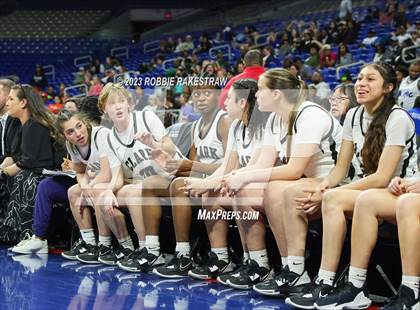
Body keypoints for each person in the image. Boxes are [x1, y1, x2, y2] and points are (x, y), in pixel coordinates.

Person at [286, 62, 417, 309]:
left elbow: (382, 177)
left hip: (396, 191)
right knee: (329, 198)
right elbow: (340, 169)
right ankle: (326, 282)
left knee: (337, 197)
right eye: (359, 79)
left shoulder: (397, 117)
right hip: (369, 190)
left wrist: (334, 191)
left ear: (388, 87)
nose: (361, 84)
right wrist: (324, 187)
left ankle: (356, 285)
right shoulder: (354, 115)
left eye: (370, 80)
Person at [216, 68, 342, 295]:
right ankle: (262, 264)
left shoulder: (309, 114)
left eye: (261, 90)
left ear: (276, 94)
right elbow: (264, 163)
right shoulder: (275, 119)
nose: (256, 95)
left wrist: (245, 175)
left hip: (332, 183)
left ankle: (295, 270)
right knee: (244, 190)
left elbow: (294, 169)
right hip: (303, 182)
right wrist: (235, 177)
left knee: (273, 189)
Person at [119, 75, 231, 276]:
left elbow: (230, 167)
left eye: (207, 93)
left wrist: (187, 166)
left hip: (223, 180)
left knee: (178, 185)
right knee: (151, 182)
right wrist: (173, 166)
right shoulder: (197, 126)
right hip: (201, 179)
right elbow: (195, 167)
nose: (201, 98)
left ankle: (183, 254)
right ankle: (152, 250)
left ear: (218, 96)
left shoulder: (224, 122)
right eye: (196, 94)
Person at [184, 79, 270, 283]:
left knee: (237, 192)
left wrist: (207, 182)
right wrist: (205, 184)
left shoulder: (265, 125)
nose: (224, 102)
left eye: (229, 98)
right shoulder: (237, 127)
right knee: (212, 195)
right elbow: (227, 167)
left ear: (242, 103)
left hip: (267, 182)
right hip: (246, 182)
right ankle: (222, 258)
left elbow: (258, 167)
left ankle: (261, 265)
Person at [89, 82, 177, 266]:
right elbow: (117, 177)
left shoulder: (146, 117)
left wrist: (153, 143)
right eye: (112, 103)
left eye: (121, 101)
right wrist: (108, 191)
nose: (118, 106)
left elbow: (171, 148)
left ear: (129, 104)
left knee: (137, 190)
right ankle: (127, 246)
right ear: (104, 110)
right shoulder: (110, 138)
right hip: (142, 183)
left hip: (170, 175)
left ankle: (149, 250)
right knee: (102, 191)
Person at [10, 105, 112, 255]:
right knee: (47, 186)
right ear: (64, 135)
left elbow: (107, 173)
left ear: (85, 123)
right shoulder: (71, 145)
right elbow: (80, 172)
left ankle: (103, 244)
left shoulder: (101, 135)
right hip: (91, 182)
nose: (77, 134)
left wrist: (86, 184)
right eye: (70, 132)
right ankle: (40, 239)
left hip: (110, 181)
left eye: (79, 126)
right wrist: (84, 185)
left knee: (80, 190)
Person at [0, 85, 64, 244]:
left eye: (11, 99)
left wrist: (4, 172)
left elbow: (29, 162)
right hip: (34, 171)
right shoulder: (23, 125)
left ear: (23, 103)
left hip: (49, 173)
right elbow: (17, 157)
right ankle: (11, 231)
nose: (7, 103)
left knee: (23, 179)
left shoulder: (34, 125)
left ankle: (28, 234)